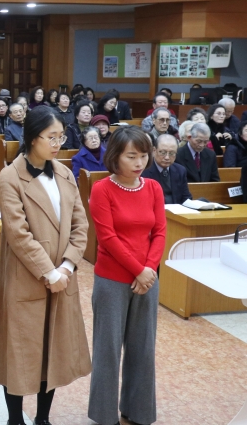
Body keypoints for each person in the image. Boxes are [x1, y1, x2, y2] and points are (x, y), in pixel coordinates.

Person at [0, 106, 91, 425]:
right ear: (32, 138)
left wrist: (66, 267)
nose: (58, 144)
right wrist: (48, 271)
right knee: (21, 351)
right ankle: (15, 419)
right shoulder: (10, 176)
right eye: (52, 137)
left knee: (53, 349)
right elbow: (17, 233)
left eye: (61, 137)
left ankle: (43, 418)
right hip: (28, 277)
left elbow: (80, 224)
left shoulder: (64, 172)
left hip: (62, 276)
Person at [88, 126, 165, 425]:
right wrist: (139, 270)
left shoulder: (153, 187)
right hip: (112, 280)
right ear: (115, 157)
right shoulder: (102, 189)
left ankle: (139, 411)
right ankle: (104, 414)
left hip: (147, 279)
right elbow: (107, 238)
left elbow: (159, 232)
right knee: (108, 350)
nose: (139, 162)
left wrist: (149, 270)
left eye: (143, 156)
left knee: (143, 349)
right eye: (131, 156)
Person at [142, 134, 192, 205]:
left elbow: (186, 198)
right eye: (163, 152)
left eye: (172, 153)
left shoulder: (180, 170)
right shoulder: (144, 170)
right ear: (154, 151)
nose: (167, 157)